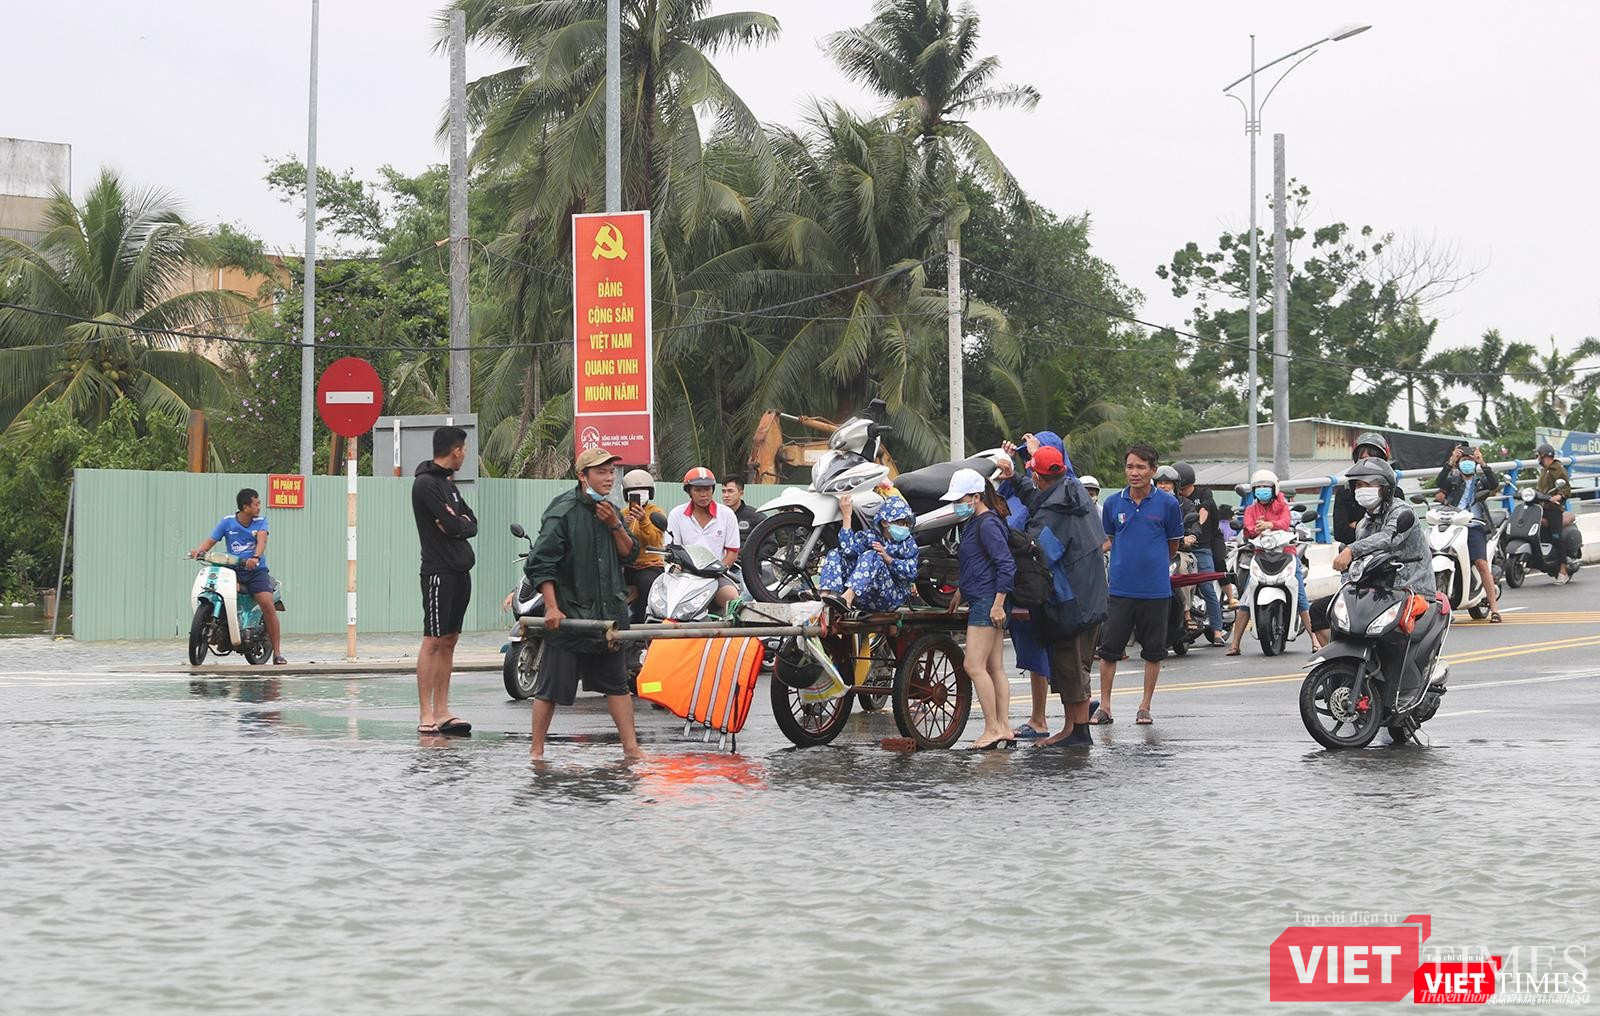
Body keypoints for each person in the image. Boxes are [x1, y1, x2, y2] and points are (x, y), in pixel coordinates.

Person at [525, 447, 644, 762]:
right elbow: (540, 563)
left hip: (607, 617)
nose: (609, 478)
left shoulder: (612, 510)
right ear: (582, 475)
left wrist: (615, 525)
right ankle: (536, 751)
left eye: (611, 472)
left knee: (618, 686)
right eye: (601, 472)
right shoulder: (563, 511)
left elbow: (630, 554)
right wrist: (552, 607)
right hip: (571, 617)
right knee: (550, 689)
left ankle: (631, 749)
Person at [1008, 445, 1108, 747]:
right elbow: (1040, 500)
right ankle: (1071, 727)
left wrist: (1005, 537)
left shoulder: (1053, 514)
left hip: (1070, 601)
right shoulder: (1075, 493)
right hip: (1092, 595)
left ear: (1038, 477)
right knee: (1078, 665)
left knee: (1070, 667)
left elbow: (1041, 552)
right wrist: (1013, 477)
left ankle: (1077, 732)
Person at [1093, 444, 1183, 725]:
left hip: (1156, 590)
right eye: (1130, 466)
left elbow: (1173, 545)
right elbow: (1111, 538)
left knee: (1153, 651)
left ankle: (1145, 706)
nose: (1134, 472)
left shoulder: (1168, 504)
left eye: (1141, 467)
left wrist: (1153, 565)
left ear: (1153, 470)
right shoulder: (1113, 503)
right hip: (1120, 589)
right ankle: (1105, 707)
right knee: (1108, 650)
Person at [997, 432, 1070, 738]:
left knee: (1044, 647)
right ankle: (1074, 704)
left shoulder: (1062, 490)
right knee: (1040, 648)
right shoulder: (1022, 485)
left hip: (1041, 579)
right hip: (1023, 576)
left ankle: (1040, 718)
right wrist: (1011, 463)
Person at [942, 468, 1016, 749]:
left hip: (988, 601)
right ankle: (1004, 727)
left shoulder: (987, 524)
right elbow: (978, 563)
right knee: (994, 667)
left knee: (973, 665)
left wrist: (998, 604)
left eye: (960, 499)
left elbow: (1006, 565)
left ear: (976, 496)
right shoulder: (976, 522)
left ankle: (993, 727)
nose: (956, 505)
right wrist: (961, 592)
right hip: (983, 597)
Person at [411, 426, 478, 735]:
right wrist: (457, 522)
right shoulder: (425, 484)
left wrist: (458, 522)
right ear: (456, 450)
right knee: (434, 639)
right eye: (464, 450)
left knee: (450, 639)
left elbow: (470, 522)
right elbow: (452, 524)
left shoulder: (449, 484)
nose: (465, 455)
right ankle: (426, 713)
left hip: (461, 572)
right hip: (438, 572)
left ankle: (442, 710)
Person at [1226, 468, 1319, 654]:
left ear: (1274, 488)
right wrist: (1255, 529)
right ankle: (1235, 644)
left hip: (1286, 553)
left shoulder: (1283, 506)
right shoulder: (1251, 509)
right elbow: (1248, 528)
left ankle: (1315, 641)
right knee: (1246, 599)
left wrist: (1270, 524)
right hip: (1261, 555)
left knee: (1301, 598)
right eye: (1258, 487)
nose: (1262, 490)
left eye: (1265, 487)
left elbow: (1285, 523)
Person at [189, 487, 286, 665]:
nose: (259, 507)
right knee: (216, 592)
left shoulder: (261, 521)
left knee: (267, 604)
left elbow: (262, 541)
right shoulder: (227, 522)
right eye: (256, 504)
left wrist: (255, 557)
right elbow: (210, 541)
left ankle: (277, 653)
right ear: (245, 507)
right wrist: (199, 551)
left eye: (259, 504)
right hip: (232, 570)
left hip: (256, 571)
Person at [1332, 457, 1434, 596]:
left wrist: (1351, 550)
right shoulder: (1364, 522)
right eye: (1359, 485)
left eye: (1369, 485)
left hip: (1411, 590)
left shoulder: (1401, 511)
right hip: (1378, 591)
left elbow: (1388, 537)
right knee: (1323, 607)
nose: (1362, 490)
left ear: (1385, 489)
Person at [1434, 444, 1503, 622]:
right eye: (1463, 459)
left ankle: (1495, 609)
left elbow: (1494, 484)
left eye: (1470, 460)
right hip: (1453, 525)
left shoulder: (1481, 481)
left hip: (1474, 526)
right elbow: (1439, 483)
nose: (1467, 463)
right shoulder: (1453, 480)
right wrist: (1450, 461)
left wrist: (1483, 463)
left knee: (1481, 564)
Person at [817, 493, 919, 612]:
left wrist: (888, 559)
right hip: (865, 595)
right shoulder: (871, 536)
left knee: (873, 555)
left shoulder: (908, 544)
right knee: (835, 553)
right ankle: (825, 598)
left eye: (906, 524)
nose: (904, 527)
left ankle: (847, 599)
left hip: (889, 598)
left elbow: (911, 573)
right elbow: (848, 550)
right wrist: (847, 516)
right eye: (900, 523)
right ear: (884, 522)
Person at [666, 466, 742, 612]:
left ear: (713, 490)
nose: (703, 494)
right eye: (698, 490)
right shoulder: (676, 514)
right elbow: (673, 551)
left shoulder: (727, 514)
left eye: (707, 489)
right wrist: (677, 572)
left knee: (734, 602)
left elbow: (732, 553)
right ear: (689, 491)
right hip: (685, 576)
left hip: (716, 576)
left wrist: (716, 572)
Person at [1174, 461, 1227, 645]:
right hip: (1176, 548)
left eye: (1180, 487)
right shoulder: (1170, 500)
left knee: (1206, 587)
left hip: (1200, 546)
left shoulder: (1203, 494)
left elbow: (1203, 511)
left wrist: (1195, 529)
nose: (1179, 491)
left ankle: (1218, 630)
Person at [621, 469, 666, 622]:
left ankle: (645, 624)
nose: (638, 497)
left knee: (647, 584)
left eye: (643, 492)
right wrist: (622, 525)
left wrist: (643, 520)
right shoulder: (623, 513)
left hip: (649, 565)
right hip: (628, 565)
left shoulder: (655, 513)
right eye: (633, 493)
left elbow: (654, 541)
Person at [1535, 442, 1575, 583]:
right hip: (1541, 508)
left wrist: (1559, 496)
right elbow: (1539, 490)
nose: (1537, 458)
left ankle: (1563, 571)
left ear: (1544, 456)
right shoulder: (1544, 471)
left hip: (1553, 509)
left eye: (1538, 455)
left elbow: (1566, 489)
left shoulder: (1558, 469)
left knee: (1556, 538)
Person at [721, 476, 766, 544]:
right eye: (724, 491)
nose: (726, 495)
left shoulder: (756, 517)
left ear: (741, 493)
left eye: (730, 491)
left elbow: (769, 544)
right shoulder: (717, 517)